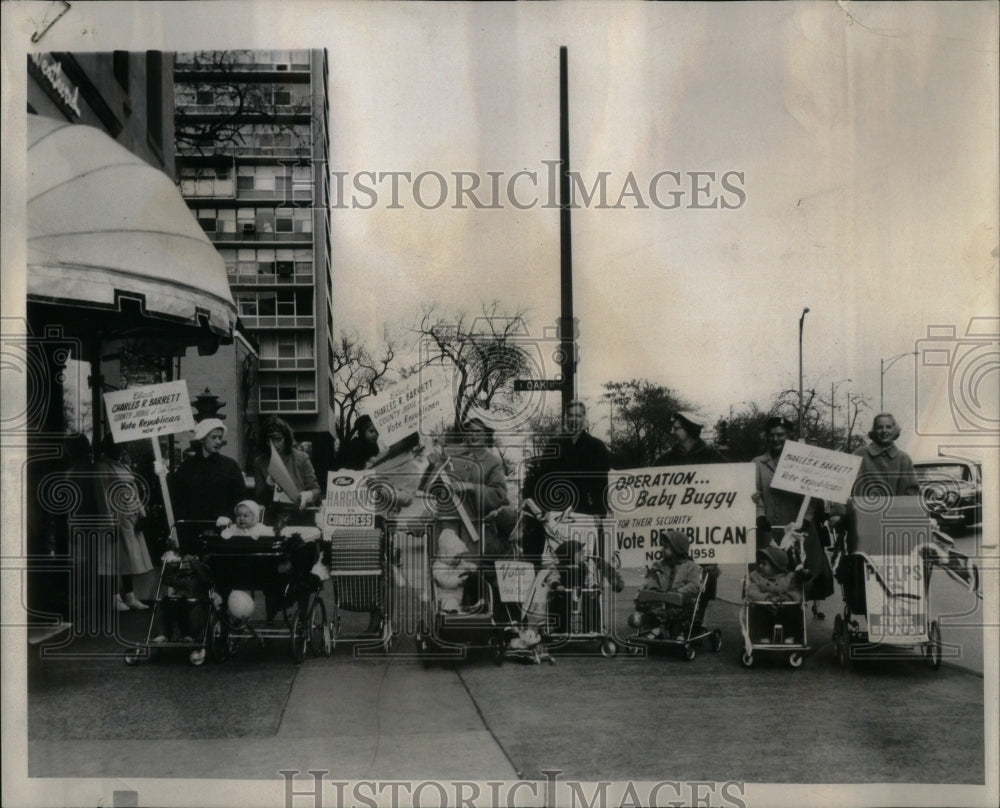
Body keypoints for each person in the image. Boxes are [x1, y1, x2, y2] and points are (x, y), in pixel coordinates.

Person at [751, 415, 834, 607]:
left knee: (801, 575)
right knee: (768, 577)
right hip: (769, 528)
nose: (776, 439)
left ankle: (796, 615)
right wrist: (760, 516)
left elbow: (811, 495)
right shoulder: (757, 463)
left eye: (781, 435)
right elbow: (754, 495)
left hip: (798, 529)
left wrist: (806, 519)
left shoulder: (803, 463)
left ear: (789, 436)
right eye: (771, 435)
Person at [522, 401, 610, 567]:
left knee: (587, 562)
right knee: (558, 560)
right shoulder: (554, 444)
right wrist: (546, 509)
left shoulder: (597, 447)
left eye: (578, 415)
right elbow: (545, 479)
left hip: (586, 511)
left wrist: (599, 513)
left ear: (585, 418)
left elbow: (602, 484)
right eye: (570, 415)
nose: (574, 419)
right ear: (565, 418)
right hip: (558, 511)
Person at [94, 436, 153, 612]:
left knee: (129, 558)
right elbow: (102, 495)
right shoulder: (102, 467)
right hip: (115, 516)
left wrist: (142, 514)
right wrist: (108, 522)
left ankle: (130, 596)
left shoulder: (123, 466)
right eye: (117, 446)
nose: (120, 449)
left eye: (122, 446)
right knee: (112, 558)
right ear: (107, 448)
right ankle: (114, 598)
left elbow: (133, 492)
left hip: (130, 517)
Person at [168, 418, 248, 535]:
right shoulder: (187, 467)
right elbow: (178, 500)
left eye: (220, 438)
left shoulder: (230, 466)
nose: (217, 441)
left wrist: (229, 517)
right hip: (192, 530)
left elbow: (240, 498)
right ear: (202, 438)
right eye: (213, 437)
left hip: (222, 529)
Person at [630, 530, 702, 640]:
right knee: (646, 601)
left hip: (679, 601)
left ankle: (680, 631)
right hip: (661, 600)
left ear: (676, 549)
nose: (662, 549)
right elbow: (650, 581)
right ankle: (656, 628)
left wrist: (679, 592)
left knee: (682, 604)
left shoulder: (690, 566)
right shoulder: (659, 565)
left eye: (665, 547)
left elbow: (695, 585)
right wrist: (644, 591)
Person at [253, 416, 321, 524]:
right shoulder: (259, 462)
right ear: (264, 440)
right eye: (270, 441)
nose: (274, 445)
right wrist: (268, 484)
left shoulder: (301, 457)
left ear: (286, 438)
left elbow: (316, 490)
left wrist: (308, 495)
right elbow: (260, 499)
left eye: (278, 440)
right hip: (274, 518)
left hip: (300, 515)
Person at [852, 412, 920, 498]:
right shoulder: (860, 454)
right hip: (863, 510)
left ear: (894, 430)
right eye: (880, 427)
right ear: (874, 431)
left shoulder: (904, 459)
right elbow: (846, 487)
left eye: (888, 427)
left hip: (896, 510)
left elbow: (912, 491)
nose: (884, 431)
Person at [654, 412, 726, 466]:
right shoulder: (664, 460)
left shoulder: (712, 457)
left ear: (689, 429)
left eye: (676, 428)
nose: (672, 432)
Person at [431, 528, 477, 612]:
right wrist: (459, 580)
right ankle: (453, 611)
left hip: (463, 593)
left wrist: (471, 568)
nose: (458, 560)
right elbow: (445, 581)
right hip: (447, 593)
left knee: (473, 594)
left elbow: (467, 565)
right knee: (450, 602)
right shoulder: (439, 566)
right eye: (456, 557)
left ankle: (472, 607)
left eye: (460, 557)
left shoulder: (460, 563)